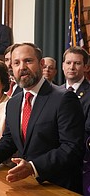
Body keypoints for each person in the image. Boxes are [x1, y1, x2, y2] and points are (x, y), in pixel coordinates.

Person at [0, 43, 85, 194]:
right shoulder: (14, 102)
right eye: (16, 63)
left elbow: (72, 147)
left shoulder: (63, 98)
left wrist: (33, 167)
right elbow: (10, 140)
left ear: (41, 63)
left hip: (58, 186)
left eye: (28, 61)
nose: (22, 67)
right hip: (25, 185)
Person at [61, 46, 90, 195]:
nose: (71, 67)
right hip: (56, 163)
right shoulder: (55, 93)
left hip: (81, 164)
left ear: (86, 67)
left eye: (77, 63)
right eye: (68, 63)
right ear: (63, 65)